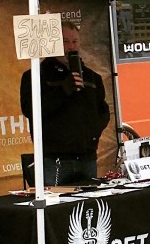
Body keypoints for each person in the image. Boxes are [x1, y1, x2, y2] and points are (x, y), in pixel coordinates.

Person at [20, 21, 110, 186]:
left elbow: (103, 111)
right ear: (53, 43)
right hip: (54, 161)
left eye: (75, 41)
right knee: (56, 210)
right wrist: (62, 91)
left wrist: (92, 133)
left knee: (88, 208)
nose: (71, 47)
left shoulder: (92, 78)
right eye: (65, 42)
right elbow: (30, 109)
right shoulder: (35, 76)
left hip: (87, 158)